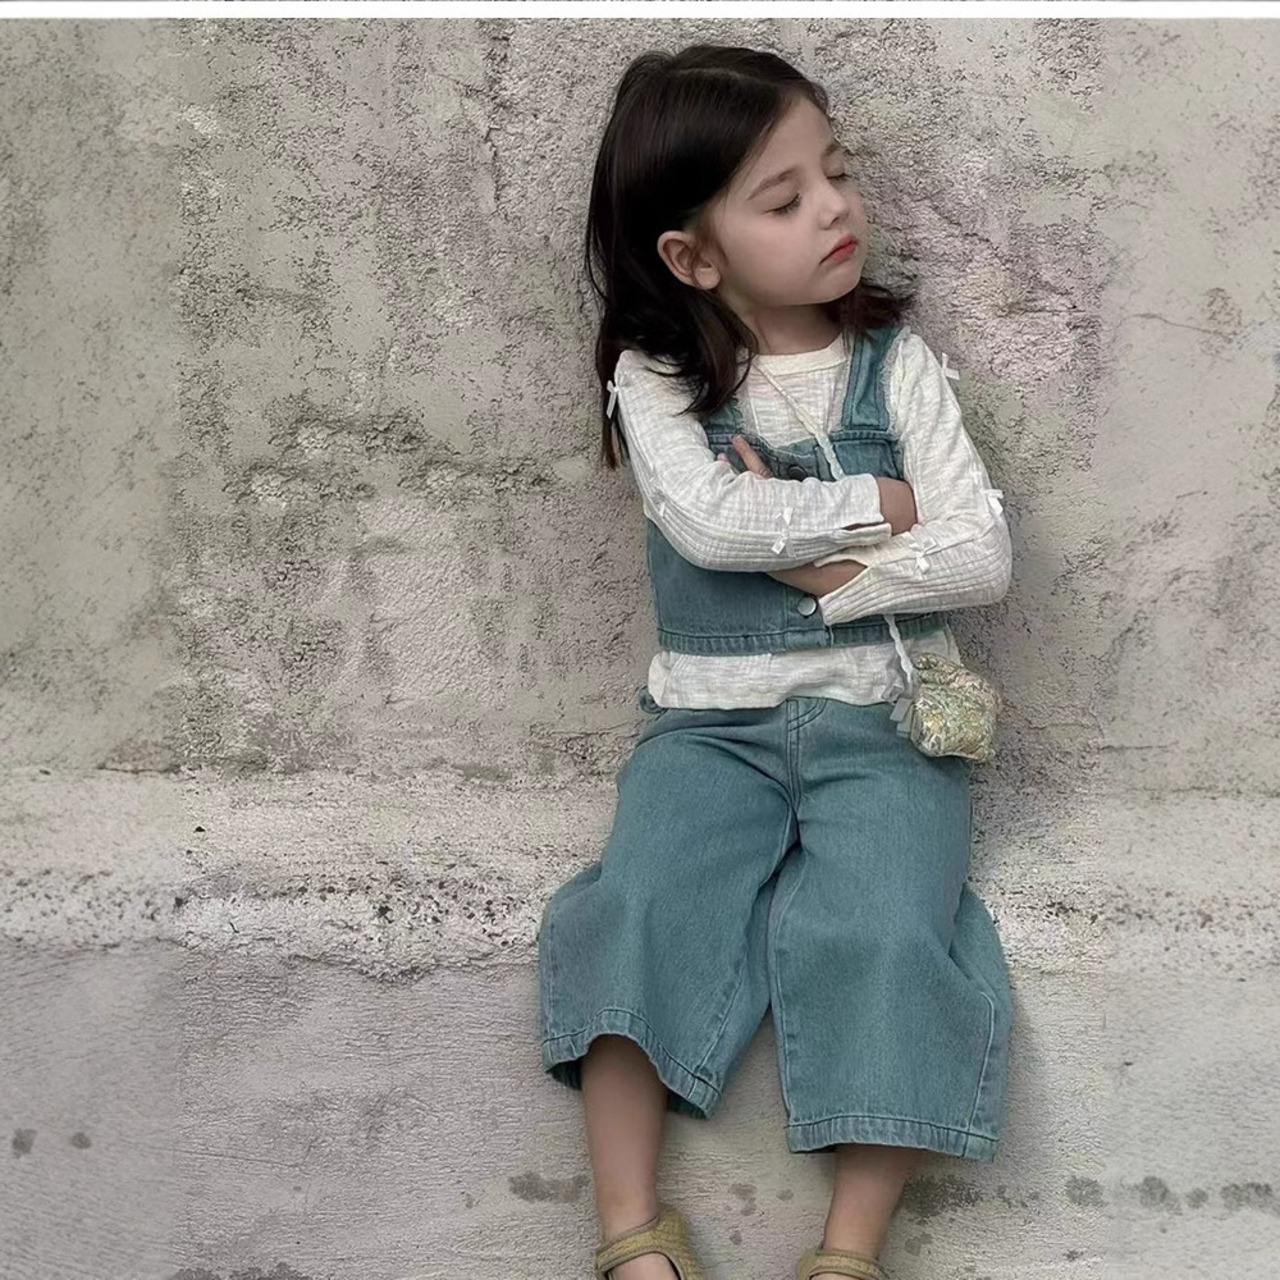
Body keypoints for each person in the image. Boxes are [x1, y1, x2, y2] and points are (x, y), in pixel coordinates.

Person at [536, 43, 1014, 1280]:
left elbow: (980, 555)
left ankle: (846, 1250)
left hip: (887, 726)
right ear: (692, 256)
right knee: (636, 906)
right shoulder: (655, 381)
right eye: (784, 198)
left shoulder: (895, 364)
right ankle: (632, 1232)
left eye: (835, 173)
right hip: (709, 728)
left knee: (885, 932)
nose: (833, 208)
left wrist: (809, 567)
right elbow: (704, 521)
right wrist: (883, 508)